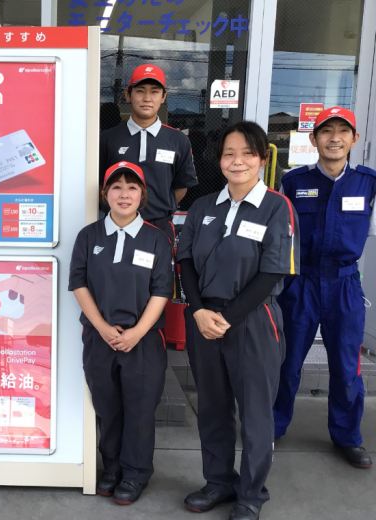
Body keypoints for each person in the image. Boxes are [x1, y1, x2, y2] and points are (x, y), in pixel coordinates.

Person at [176, 121, 300, 520]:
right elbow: (185, 261)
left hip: (252, 319)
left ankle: (250, 493)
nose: (238, 161)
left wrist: (227, 318)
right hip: (203, 318)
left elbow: (273, 270)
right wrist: (198, 310)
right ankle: (218, 481)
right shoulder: (203, 207)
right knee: (212, 406)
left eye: (248, 153)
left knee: (255, 412)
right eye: (229, 153)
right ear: (219, 160)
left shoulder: (277, 207)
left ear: (263, 159)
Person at [273, 107, 375, 469]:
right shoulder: (293, 182)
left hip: (345, 286)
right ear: (314, 139)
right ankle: (272, 427)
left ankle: (347, 437)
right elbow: (278, 234)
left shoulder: (368, 183)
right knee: (286, 363)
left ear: (354, 139)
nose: (334, 138)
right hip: (300, 283)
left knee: (347, 368)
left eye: (342, 131)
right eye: (326, 131)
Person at [69, 161, 173, 505]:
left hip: (143, 340)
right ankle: (112, 466)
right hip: (99, 338)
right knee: (107, 405)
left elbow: (162, 290)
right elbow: (79, 284)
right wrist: (102, 327)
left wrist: (137, 332)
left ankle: (135, 472)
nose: (124, 194)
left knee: (140, 408)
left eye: (131, 187)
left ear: (143, 194)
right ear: (105, 194)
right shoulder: (89, 236)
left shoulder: (157, 239)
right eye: (116, 187)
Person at [99, 64, 198, 244]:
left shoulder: (178, 140)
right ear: (128, 94)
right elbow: (98, 185)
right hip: (116, 225)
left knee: (159, 264)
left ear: (163, 96)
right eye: (140, 91)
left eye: (154, 92)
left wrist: (157, 209)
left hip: (159, 228)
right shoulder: (107, 138)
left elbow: (181, 187)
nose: (147, 98)